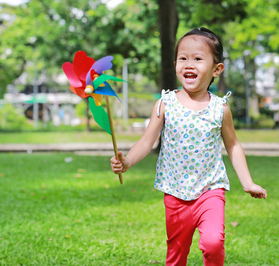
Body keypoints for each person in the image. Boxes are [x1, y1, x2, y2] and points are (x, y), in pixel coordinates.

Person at [111, 27, 267, 266]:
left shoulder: (220, 108)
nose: (189, 64)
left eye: (197, 58)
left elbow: (233, 145)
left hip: (210, 190)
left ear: (216, 69)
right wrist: (128, 161)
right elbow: (147, 140)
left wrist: (247, 182)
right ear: (175, 64)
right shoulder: (165, 104)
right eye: (183, 58)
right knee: (176, 254)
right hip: (175, 192)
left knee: (213, 243)